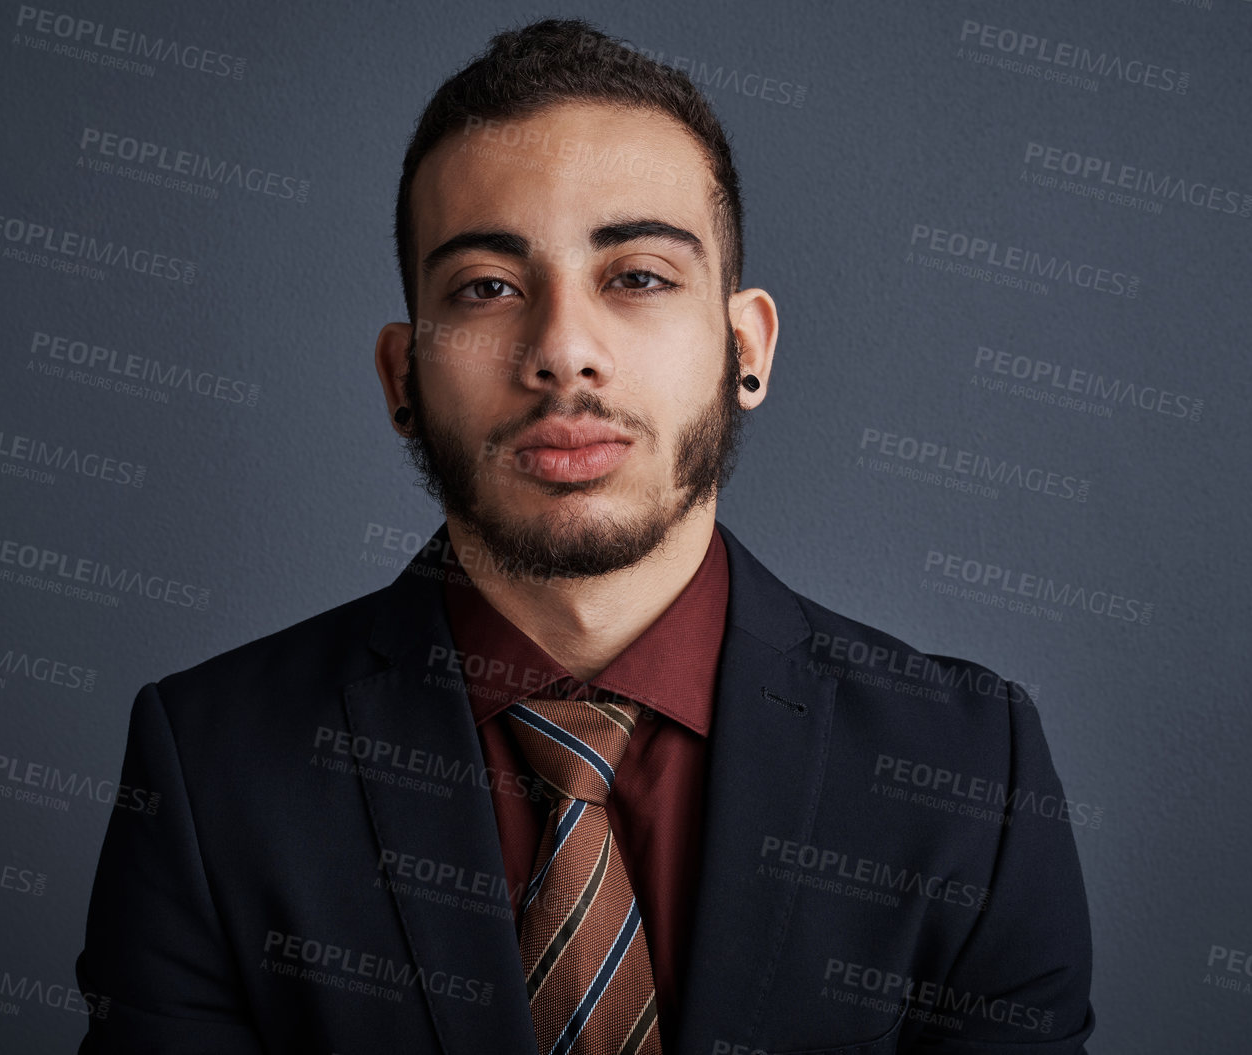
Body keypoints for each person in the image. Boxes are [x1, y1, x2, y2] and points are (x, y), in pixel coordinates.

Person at [76, 17, 1094, 1055]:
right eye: (487, 288)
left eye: (638, 276)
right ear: (400, 379)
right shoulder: (212, 768)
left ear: (745, 346)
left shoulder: (971, 771)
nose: (563, 350)